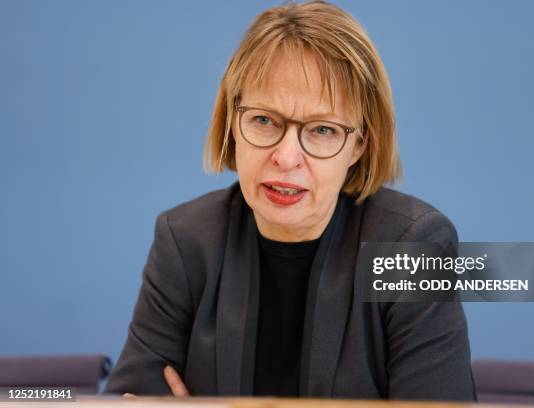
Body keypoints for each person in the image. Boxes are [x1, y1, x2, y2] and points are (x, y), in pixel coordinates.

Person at [104, 0, 476, 401]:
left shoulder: (411, 246)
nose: (286, 157)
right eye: (264, 120)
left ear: (359, 145)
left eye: (322, 130)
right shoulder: (185, 241)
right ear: (233, 124)